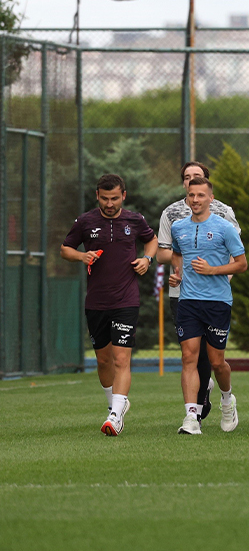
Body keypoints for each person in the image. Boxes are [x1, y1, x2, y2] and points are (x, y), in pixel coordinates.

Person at [60, 173, 158, 436]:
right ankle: (113, 406)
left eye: (114, 198)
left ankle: (116, 415)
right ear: (97, 196)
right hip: (96, 302)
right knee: (103, 361)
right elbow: (65, 249)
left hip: (126, 299)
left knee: (121, 357)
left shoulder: (135, 220)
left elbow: (152, 239)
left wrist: (147, 259)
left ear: (123, 196)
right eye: (105, 199)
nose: (110, 203)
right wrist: (82, 256)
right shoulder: (86, 221)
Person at [156, 161, 240, 425]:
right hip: (186, 299)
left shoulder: (224, 220)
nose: (194, 198)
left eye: (200, 192)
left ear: (210, 195)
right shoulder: (176, 221)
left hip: (217, 300)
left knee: (216, 362)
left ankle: (227, 399)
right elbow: (172, 254)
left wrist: (215, 270)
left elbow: (241, 261)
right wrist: (177, 273)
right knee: (190, 356)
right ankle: (192, 416)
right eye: (191, 191)